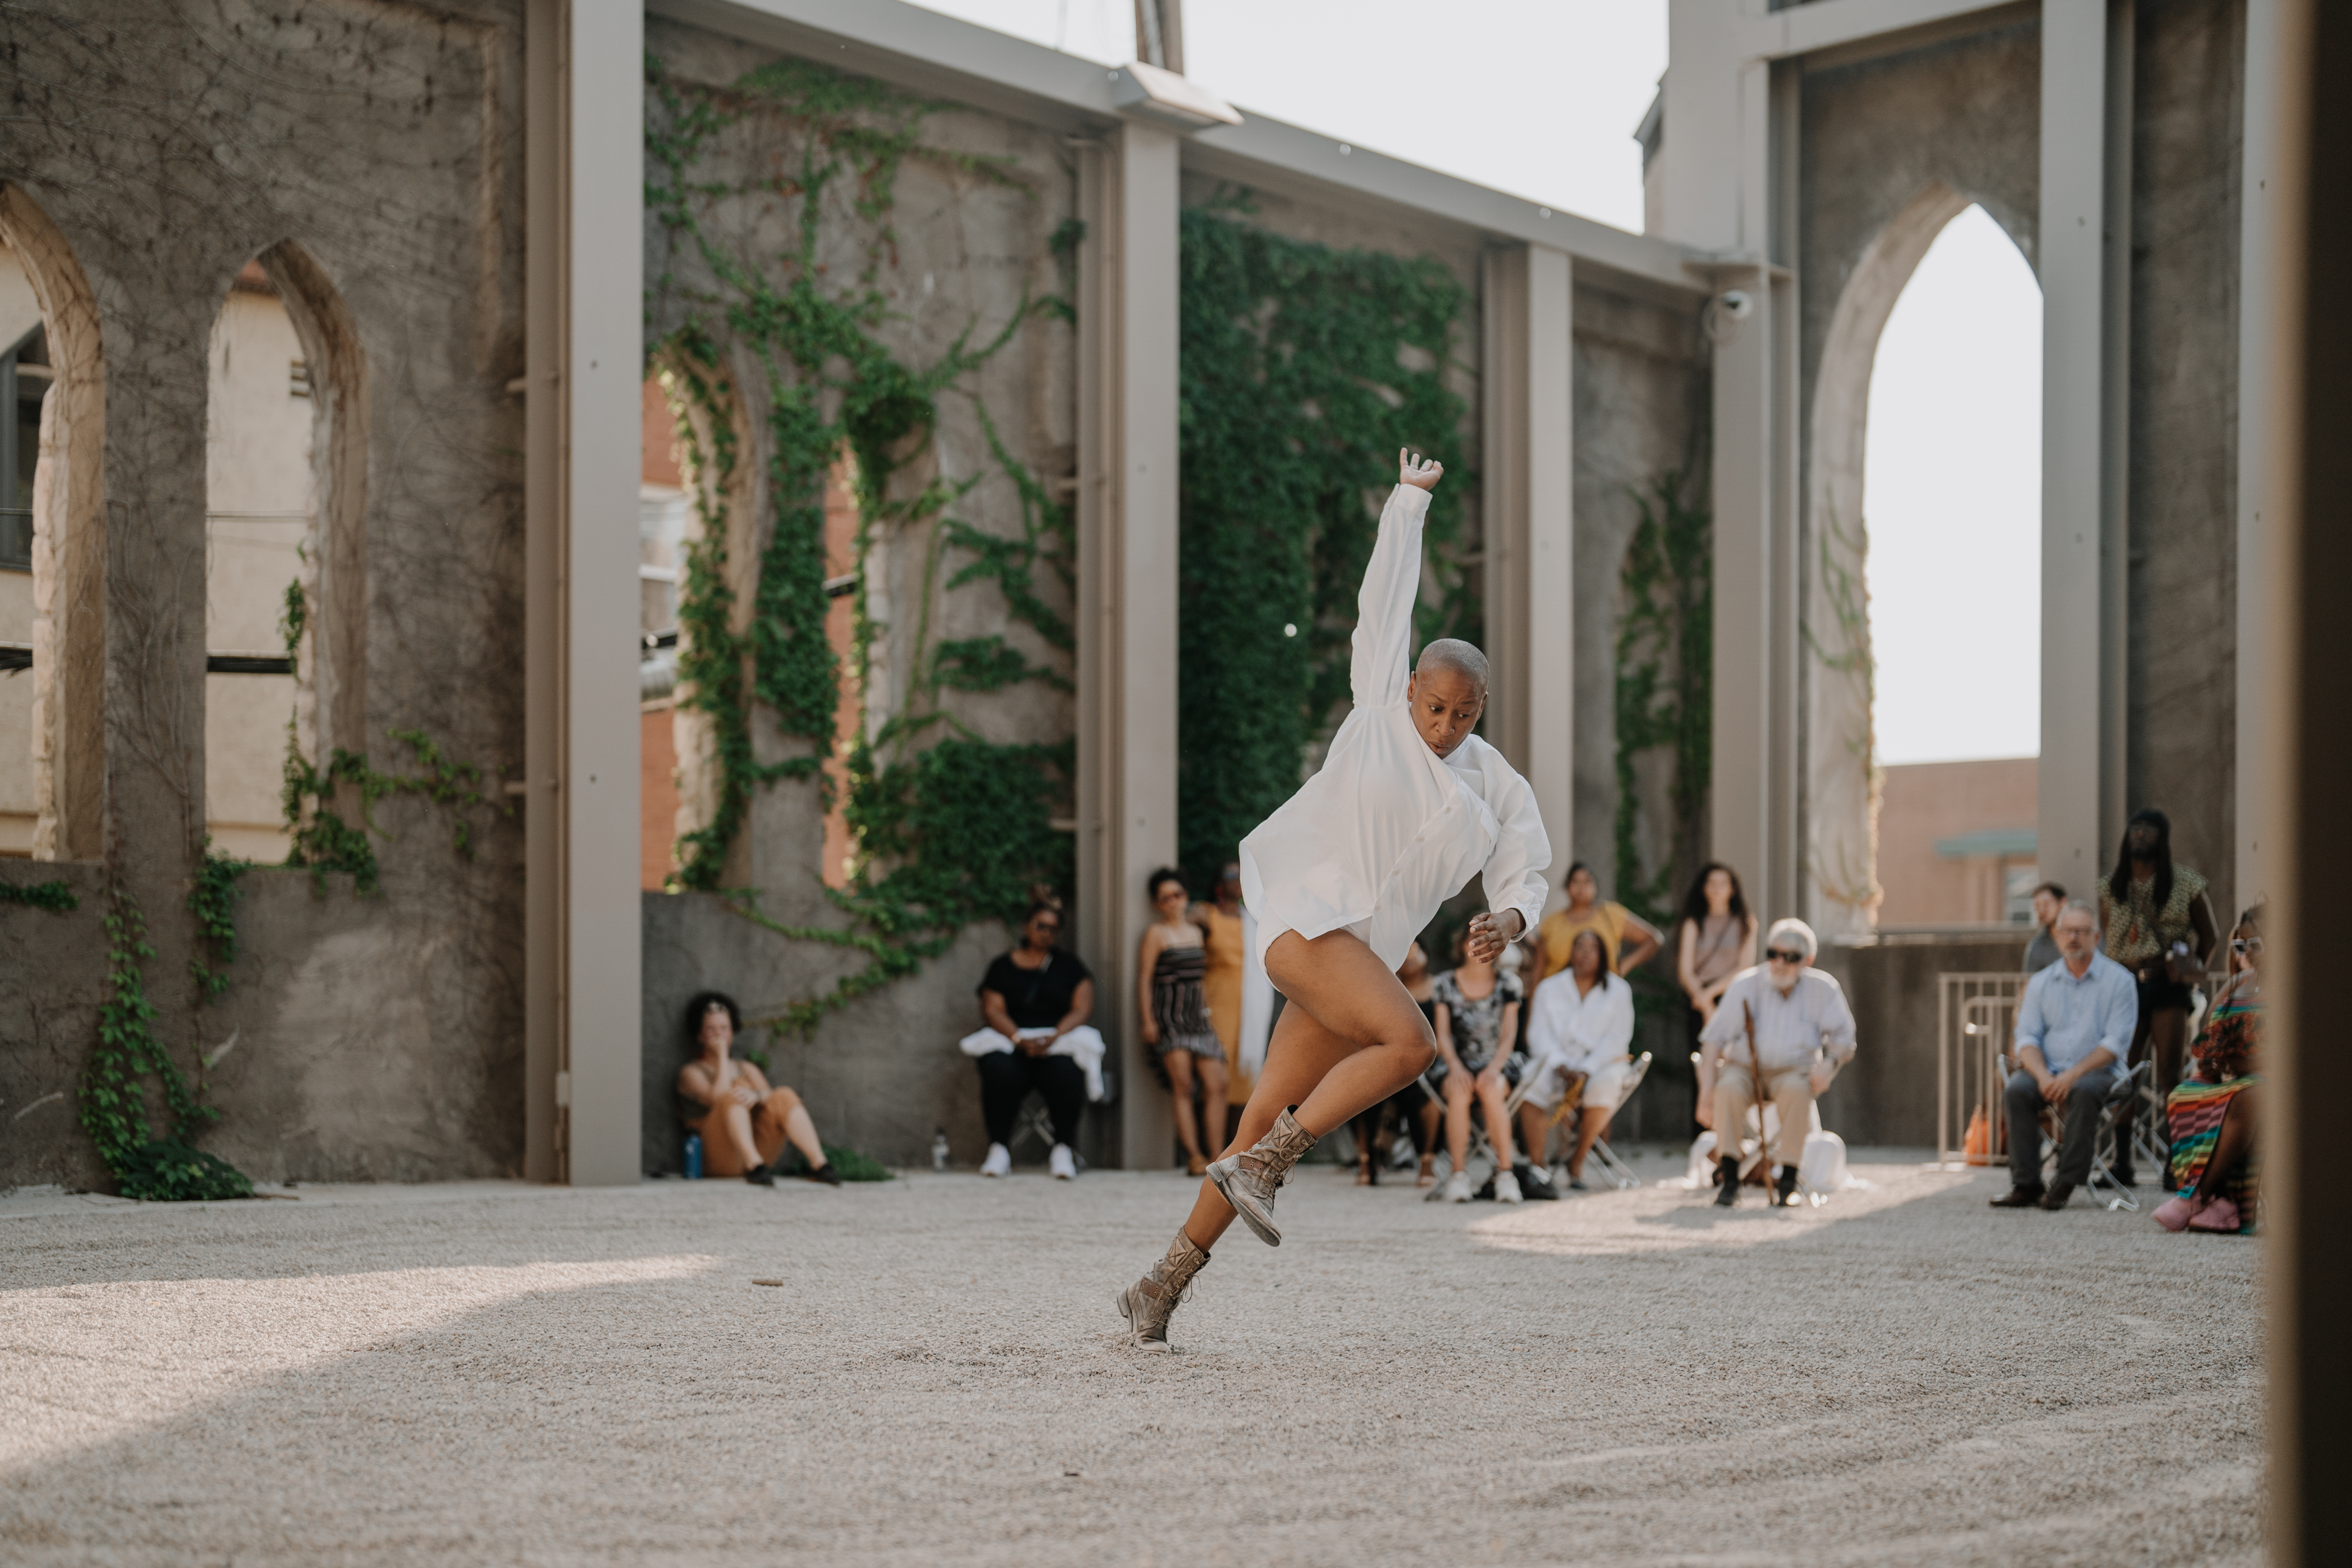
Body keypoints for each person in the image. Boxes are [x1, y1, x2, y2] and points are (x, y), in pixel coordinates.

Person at [1114, 450, 1552, 1352]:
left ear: (1482, 708)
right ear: (1411, 689)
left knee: (1253, 1121)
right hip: (1307, 922)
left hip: (1358, 959)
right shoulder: (1376, 711)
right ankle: (1272, 1164)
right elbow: (1384, 600)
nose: (1445, 726)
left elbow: (1527, 863)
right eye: (1435, 706)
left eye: (1464, 713)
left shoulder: (1493, 781)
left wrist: (1507, 919)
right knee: (1413, 1044)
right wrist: (1410, 502)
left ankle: (1159, 1285)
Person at [1695, 918, 1856, 1207]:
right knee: (1727, 1088)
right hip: (1744, 1069)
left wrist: (1829, 1065)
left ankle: (1788, 1183)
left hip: (1794, 1071)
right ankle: (1731, 1180)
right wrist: (1706, 1092)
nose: (1780, 963)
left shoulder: (1824, 988)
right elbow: (1713, 1039)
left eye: (1790, 957)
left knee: (1798, 1090)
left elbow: (1845, 1038)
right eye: (1774, 954)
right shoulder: (1745, 984)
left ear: (1808, 960)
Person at [1989, 901, 2137, 1211]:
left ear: (2097, 938)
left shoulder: (2120, 981)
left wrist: (2071, 1076)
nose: (2074, 938)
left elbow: (2115, 1044)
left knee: (2083, 1089)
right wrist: (2044, 1076)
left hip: (2103, 1073)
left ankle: (2066, 1182)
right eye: (2068, 931)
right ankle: (2027, 1183)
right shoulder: (2040, 983)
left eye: (2082, 932)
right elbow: (2026, 1038)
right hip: (2049, 1070)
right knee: (2017, 1089)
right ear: (2057, 937)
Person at [2098, 808, 2217, 1184]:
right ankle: (2122, 1163)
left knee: (2169, 1071)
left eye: (2149, 830)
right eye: (2135, 829)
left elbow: (2210, 936)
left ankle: (2175, 1162)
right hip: (2125, 984)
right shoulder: (2110, 887)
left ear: (2162, 839)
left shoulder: (2186, 883)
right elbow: (2107, 939)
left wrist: (2189, 973)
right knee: (2125, 1070)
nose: (2140, 835)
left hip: (2167, 986)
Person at [964, 900, 1102, 1180]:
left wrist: (1055, 1036)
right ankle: (999, 1149)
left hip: (1056, 1043)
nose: (1046, 933)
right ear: (1027, 926)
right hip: (1011, 1042)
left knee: (1068, 1071)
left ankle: (1063, 1149)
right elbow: (992, 1009)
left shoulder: (1070, 967)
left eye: (1053, 928)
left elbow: (1082, 1008)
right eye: (1041, 926)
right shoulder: (1002, 967)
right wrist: (1017, 1038)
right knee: (998, 1069)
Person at [2155, 905, 2263, 1234]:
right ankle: (2221, 1203)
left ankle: (2195, 1196)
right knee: (2185, 1092)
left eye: (2255, 945)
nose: (2247, 954)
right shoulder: (2238, 985)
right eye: (2240, 946)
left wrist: (2243, 1063)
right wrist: (2212, 1058)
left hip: (2271, 1084)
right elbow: (2206, 1038)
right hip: (2237, 1078)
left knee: (2252, 1095)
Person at [676, 992, 839, 1186]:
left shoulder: (747, 1068)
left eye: (725, 1028)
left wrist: (755, 1095)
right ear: (700, 1035)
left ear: (733, 1032)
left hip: (759, 1154)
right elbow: (718, 1098)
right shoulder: (691, 1073)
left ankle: (820, 1165)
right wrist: (722, 1057)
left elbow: (770, 1096)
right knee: (732, 1096)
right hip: (718, 1160)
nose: (719, 1034)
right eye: (711, 1029)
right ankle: (754, 1165)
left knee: (784, 1095)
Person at [1430, 926, 1542, 1203]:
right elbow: (1442, 1034)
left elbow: (1509, 1035)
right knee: (1459, 1091)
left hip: (1498, 1062)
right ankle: (1458, 1176)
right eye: (1474, 939)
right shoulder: (1444, 983)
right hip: (1456, 1063)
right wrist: (1456, 1068)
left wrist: (1493, 1069)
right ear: (1462, 945)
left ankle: (1505, 1175)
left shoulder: (1509, 984)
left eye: (1487, 940)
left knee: (1492, 1089)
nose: (1480, 944)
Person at [1520, 930, 1637, 1190]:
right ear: (1571, 952)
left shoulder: (1619, 990)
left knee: (1606, 1085)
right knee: (1531, 1081)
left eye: (1592, 948)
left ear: (1603, 954)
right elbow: (1538, 1034)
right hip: (1556, 1063)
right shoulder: (1549, 988)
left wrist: (1586, 1070)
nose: (1585, 954)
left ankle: (1578, 1160)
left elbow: (1618, 1039)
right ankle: (1538, 1168)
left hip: (1602, 1064)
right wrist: (1561, 1065)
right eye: (1579, 947)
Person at [1139, 867, 1227, 1177]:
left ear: (1185, 896)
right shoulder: (1156, 934)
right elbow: (1145, 979)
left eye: (1177, 895)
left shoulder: (1196, 932)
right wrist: (1148, 1021)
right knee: (1184, 1086)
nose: (1173, 901)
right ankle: (1195, 1157)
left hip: (1198, 1019)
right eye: (1165, 898)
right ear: (1157, 903)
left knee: (1218, 1084)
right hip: (1170, 1019)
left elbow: (1200, 978)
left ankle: (1218, 1157)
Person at [1355, 942, 1443, 1187]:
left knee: (1428, 1093)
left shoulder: (1440, 988)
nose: (1410, 955)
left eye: (1416, 948)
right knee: (1361, 1088)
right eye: (1405, 949)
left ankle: (1427, 1162)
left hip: (1429, 1063)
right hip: (1390, 1061)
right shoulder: (1385, 988)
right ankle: (1366, 1161)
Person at [1675, 862, 1756, 1071]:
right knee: (1700, 1060)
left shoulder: (1746, 922)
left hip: (1731, 995)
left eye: (1723, 884)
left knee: (1731, 1060)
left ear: (1732, 889)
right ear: (1703, 888)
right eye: (1711, 883)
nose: (1717, 889)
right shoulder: (1694, 922)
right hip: (1697, 997)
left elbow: (1745, 968)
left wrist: (1710, 995)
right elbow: (1685, 970)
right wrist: (1704, 1001)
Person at [1532, 862, 1663, 985]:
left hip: (1603, 994)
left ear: (1596, 887)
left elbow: (1654, 939)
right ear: (1567, 886)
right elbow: (1538, 971)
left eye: (1587, 881)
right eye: (1576, 881)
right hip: (1558, 996)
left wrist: (1624, 966)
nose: (1581, 887)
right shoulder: (1552, 922)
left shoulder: (1611, 915)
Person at [1196, 862, 1254, 1136]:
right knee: (1218, 1073)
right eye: (1232, 874)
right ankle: (1211, 1147)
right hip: (1217, 1002)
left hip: (1251, 1005)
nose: (1238, 879)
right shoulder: (1207, 914)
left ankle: (1236, 1143)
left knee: (1245, 1076)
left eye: (1242, 874)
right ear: (1219, 882)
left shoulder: (1252, 918)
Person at [2022, 880, 2067, 973]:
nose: (2041, 911)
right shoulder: (2037, 945)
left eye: (2046, 904)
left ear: (2063, 903)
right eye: (2037, 907)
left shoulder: (2082, 936)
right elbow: (2029, 980)